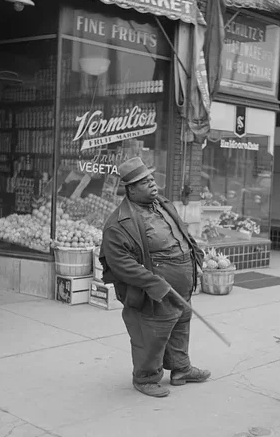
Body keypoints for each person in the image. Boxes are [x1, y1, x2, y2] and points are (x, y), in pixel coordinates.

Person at [99, 157, 210, 398]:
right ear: (131, 190)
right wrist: (154, 283)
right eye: (144, 181)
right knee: (152, 332)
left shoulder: (162, 204)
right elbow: (120, 263)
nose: (152, 184)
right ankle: (145, 377)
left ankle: (181, 369)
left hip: (181, 282)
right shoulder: (119, 223)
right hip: (154, 289)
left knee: (181, 324)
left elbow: (183, 232)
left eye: (151, 178)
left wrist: (195, 257)